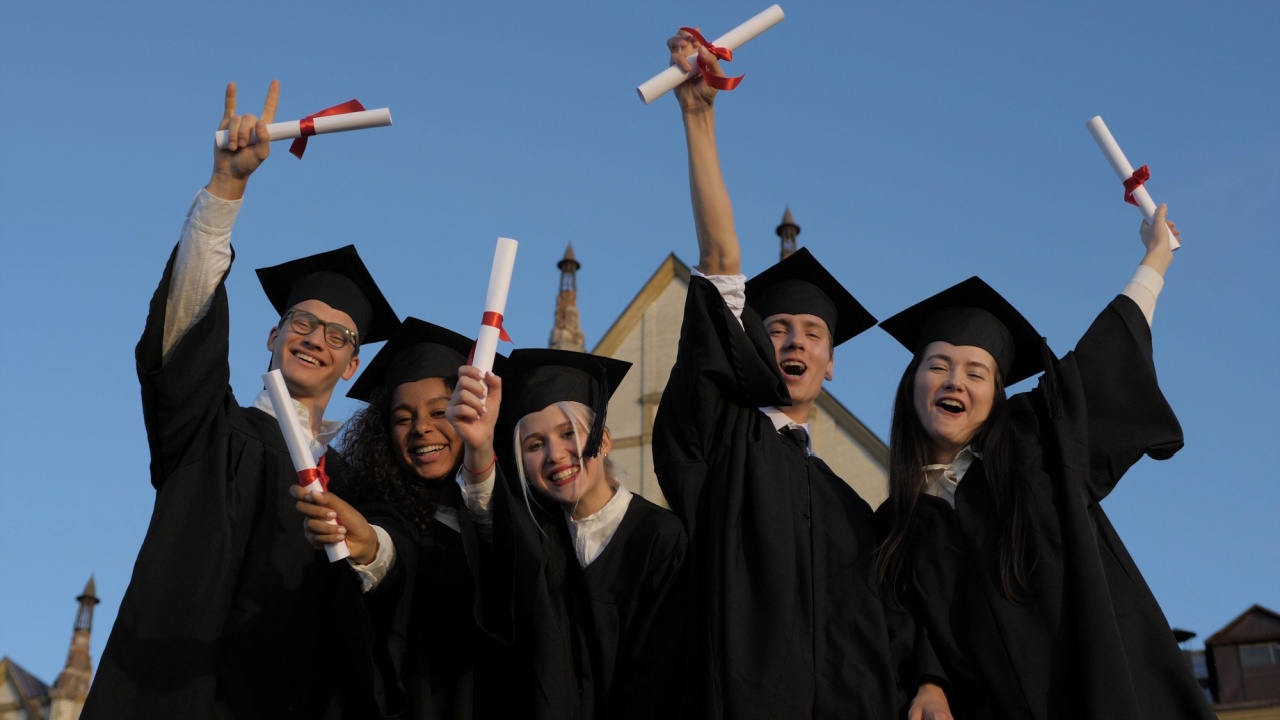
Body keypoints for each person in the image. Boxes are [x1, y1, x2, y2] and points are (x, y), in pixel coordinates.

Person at [83, 81, 399, 720]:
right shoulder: (209, 429)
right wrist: (227, 187)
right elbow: (184, 329)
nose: (317, 339)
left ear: (352, 363)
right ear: (273, 335)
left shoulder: (354, 490)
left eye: (339, 336)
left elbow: (396, 575)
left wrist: (373, 548)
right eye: (302, 322)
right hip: (166, 698)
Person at [649, 30, 942, 719]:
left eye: (814, 333)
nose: (796, 341)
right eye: (778, 329)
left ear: (832, 363)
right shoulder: (720, 442)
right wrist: (699, 118)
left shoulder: (851, 509)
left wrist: (929, 680)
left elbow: (893, 628)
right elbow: (721, 260)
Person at [874, 206, 1215, 718]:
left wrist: (1155, 259)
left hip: (1108, 693)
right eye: (938, 366)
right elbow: (904, 629)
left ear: (996, 397)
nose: (954, 382)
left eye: (976, 373)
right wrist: (930, 683)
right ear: (911, 384)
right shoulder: (894, 530)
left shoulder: (1036, 447)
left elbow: (1101, 364)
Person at [447, 348, 689, 719]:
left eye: (568, 433)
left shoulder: (659, 537)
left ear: (603, 440)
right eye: (535, 445)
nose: (556, 455)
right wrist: (478, 447)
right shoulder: (538, 539)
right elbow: (487, 515)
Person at [293, 317, 510, 719]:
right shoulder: (387, 512)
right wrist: (370, 547)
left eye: (440, 412)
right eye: (403, 418)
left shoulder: (510, 511)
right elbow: (390, 546)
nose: (422, 429)